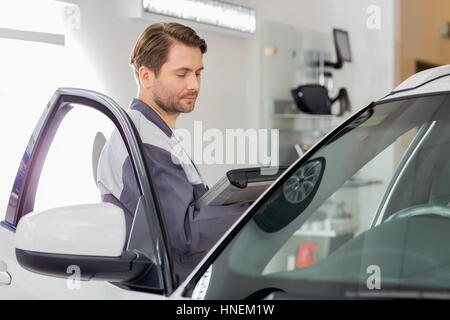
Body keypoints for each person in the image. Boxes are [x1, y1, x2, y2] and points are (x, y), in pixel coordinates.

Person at [96, 22, 249, 282]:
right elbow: (182, 234)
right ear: (146, 76)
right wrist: (253, 209)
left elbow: (191, 206)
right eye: (182, 74)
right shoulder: (144, 143)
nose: (194, 85)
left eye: (198, 73)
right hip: (162, 287)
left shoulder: (156, 134)